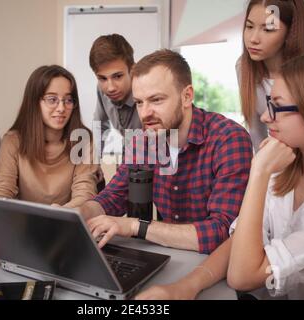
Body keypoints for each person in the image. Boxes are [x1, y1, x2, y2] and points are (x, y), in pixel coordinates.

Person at [136, 50, 304, 300]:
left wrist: (258, 172)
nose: (265, 116)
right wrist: (187, 286)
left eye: (277, 107)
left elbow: (242, 276)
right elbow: (238, 243)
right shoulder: (284, 169)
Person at [81, 49, 253, 253]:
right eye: (139, 102)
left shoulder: (229, 139)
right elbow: (113, 197)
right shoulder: (143, 142)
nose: (145, 113)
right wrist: (77, 213)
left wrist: (135, 226)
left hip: (216, 264)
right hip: (170, 256)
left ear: (187, 96)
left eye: (156, 100)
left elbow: (223, 231)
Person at [0, 65, 99, 208]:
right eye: (52, 99)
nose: (61, 108)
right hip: (22, 223)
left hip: (67, 221)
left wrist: (59, 214)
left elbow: (85, 194)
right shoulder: (13, 140)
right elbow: (1, 191)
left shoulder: (82, 140)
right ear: (34, 102)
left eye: (68, 100)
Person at [237, 0, 304, 151]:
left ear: (291, 31)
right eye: (249, 26)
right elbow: (256, 130)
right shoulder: (243, 67)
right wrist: (264, 168)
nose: (253, 39)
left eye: (268, 29)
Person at [89, 34, 142, 154]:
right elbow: (100, 126)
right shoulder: (101, 89)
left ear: (132, 70)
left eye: (118, 76)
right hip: (129, 151)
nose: (110, 88)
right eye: (102, 78)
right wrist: (94, 163)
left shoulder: (148, 89)